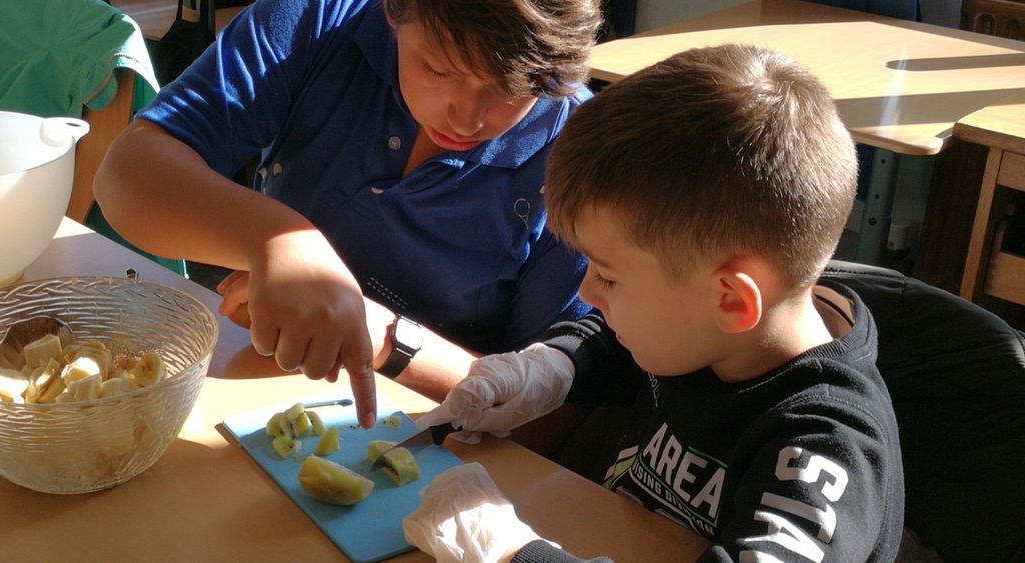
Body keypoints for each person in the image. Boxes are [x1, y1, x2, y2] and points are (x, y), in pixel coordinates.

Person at [403, 44, 905, 562]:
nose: (586, 293)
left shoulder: (823, 451)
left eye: (609, 277)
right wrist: (552, 367)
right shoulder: (709, 335)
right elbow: (614, 347)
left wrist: (514, 556)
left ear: (731, 299)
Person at [93, 0, 602, 426]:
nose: (467, 118)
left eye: (514, 88)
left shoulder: (580, 154)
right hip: (252, 401)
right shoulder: (317, 19)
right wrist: (279, 239)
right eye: (439, 69)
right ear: (394, 11)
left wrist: (383, 338)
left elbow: (554, 418)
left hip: (438, 447)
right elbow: (127, 177)